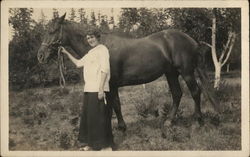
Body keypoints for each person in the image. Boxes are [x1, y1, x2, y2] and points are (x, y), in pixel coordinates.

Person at [59, 29, 114, 151]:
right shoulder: (90, 52)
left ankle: (106, 146)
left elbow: (105, 69)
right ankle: (91, 144)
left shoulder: (103, 50)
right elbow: (79, 63)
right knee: (90, 118)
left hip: (98, 89)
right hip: (89, 88)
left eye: (92, 37)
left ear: (97, 37)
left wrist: (101, 89)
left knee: (100, 118)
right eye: (88, 38)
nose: (90, 40)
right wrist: (66, 53)